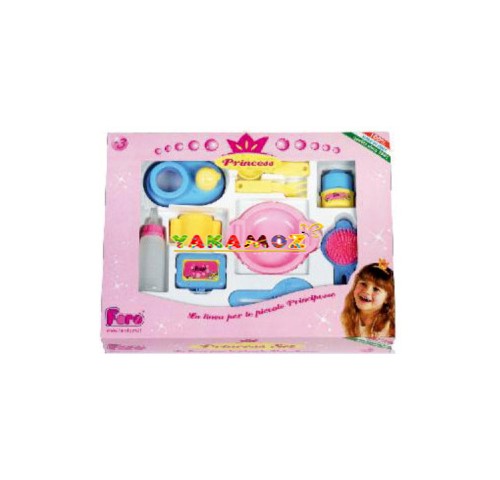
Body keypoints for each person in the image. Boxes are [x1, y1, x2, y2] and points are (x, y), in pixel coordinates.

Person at [341, 260, 395, 338]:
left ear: (388, 298)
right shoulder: (347, 317)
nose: (367, 291)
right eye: (363, 284)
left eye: (376, 289)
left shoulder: (390, 328)